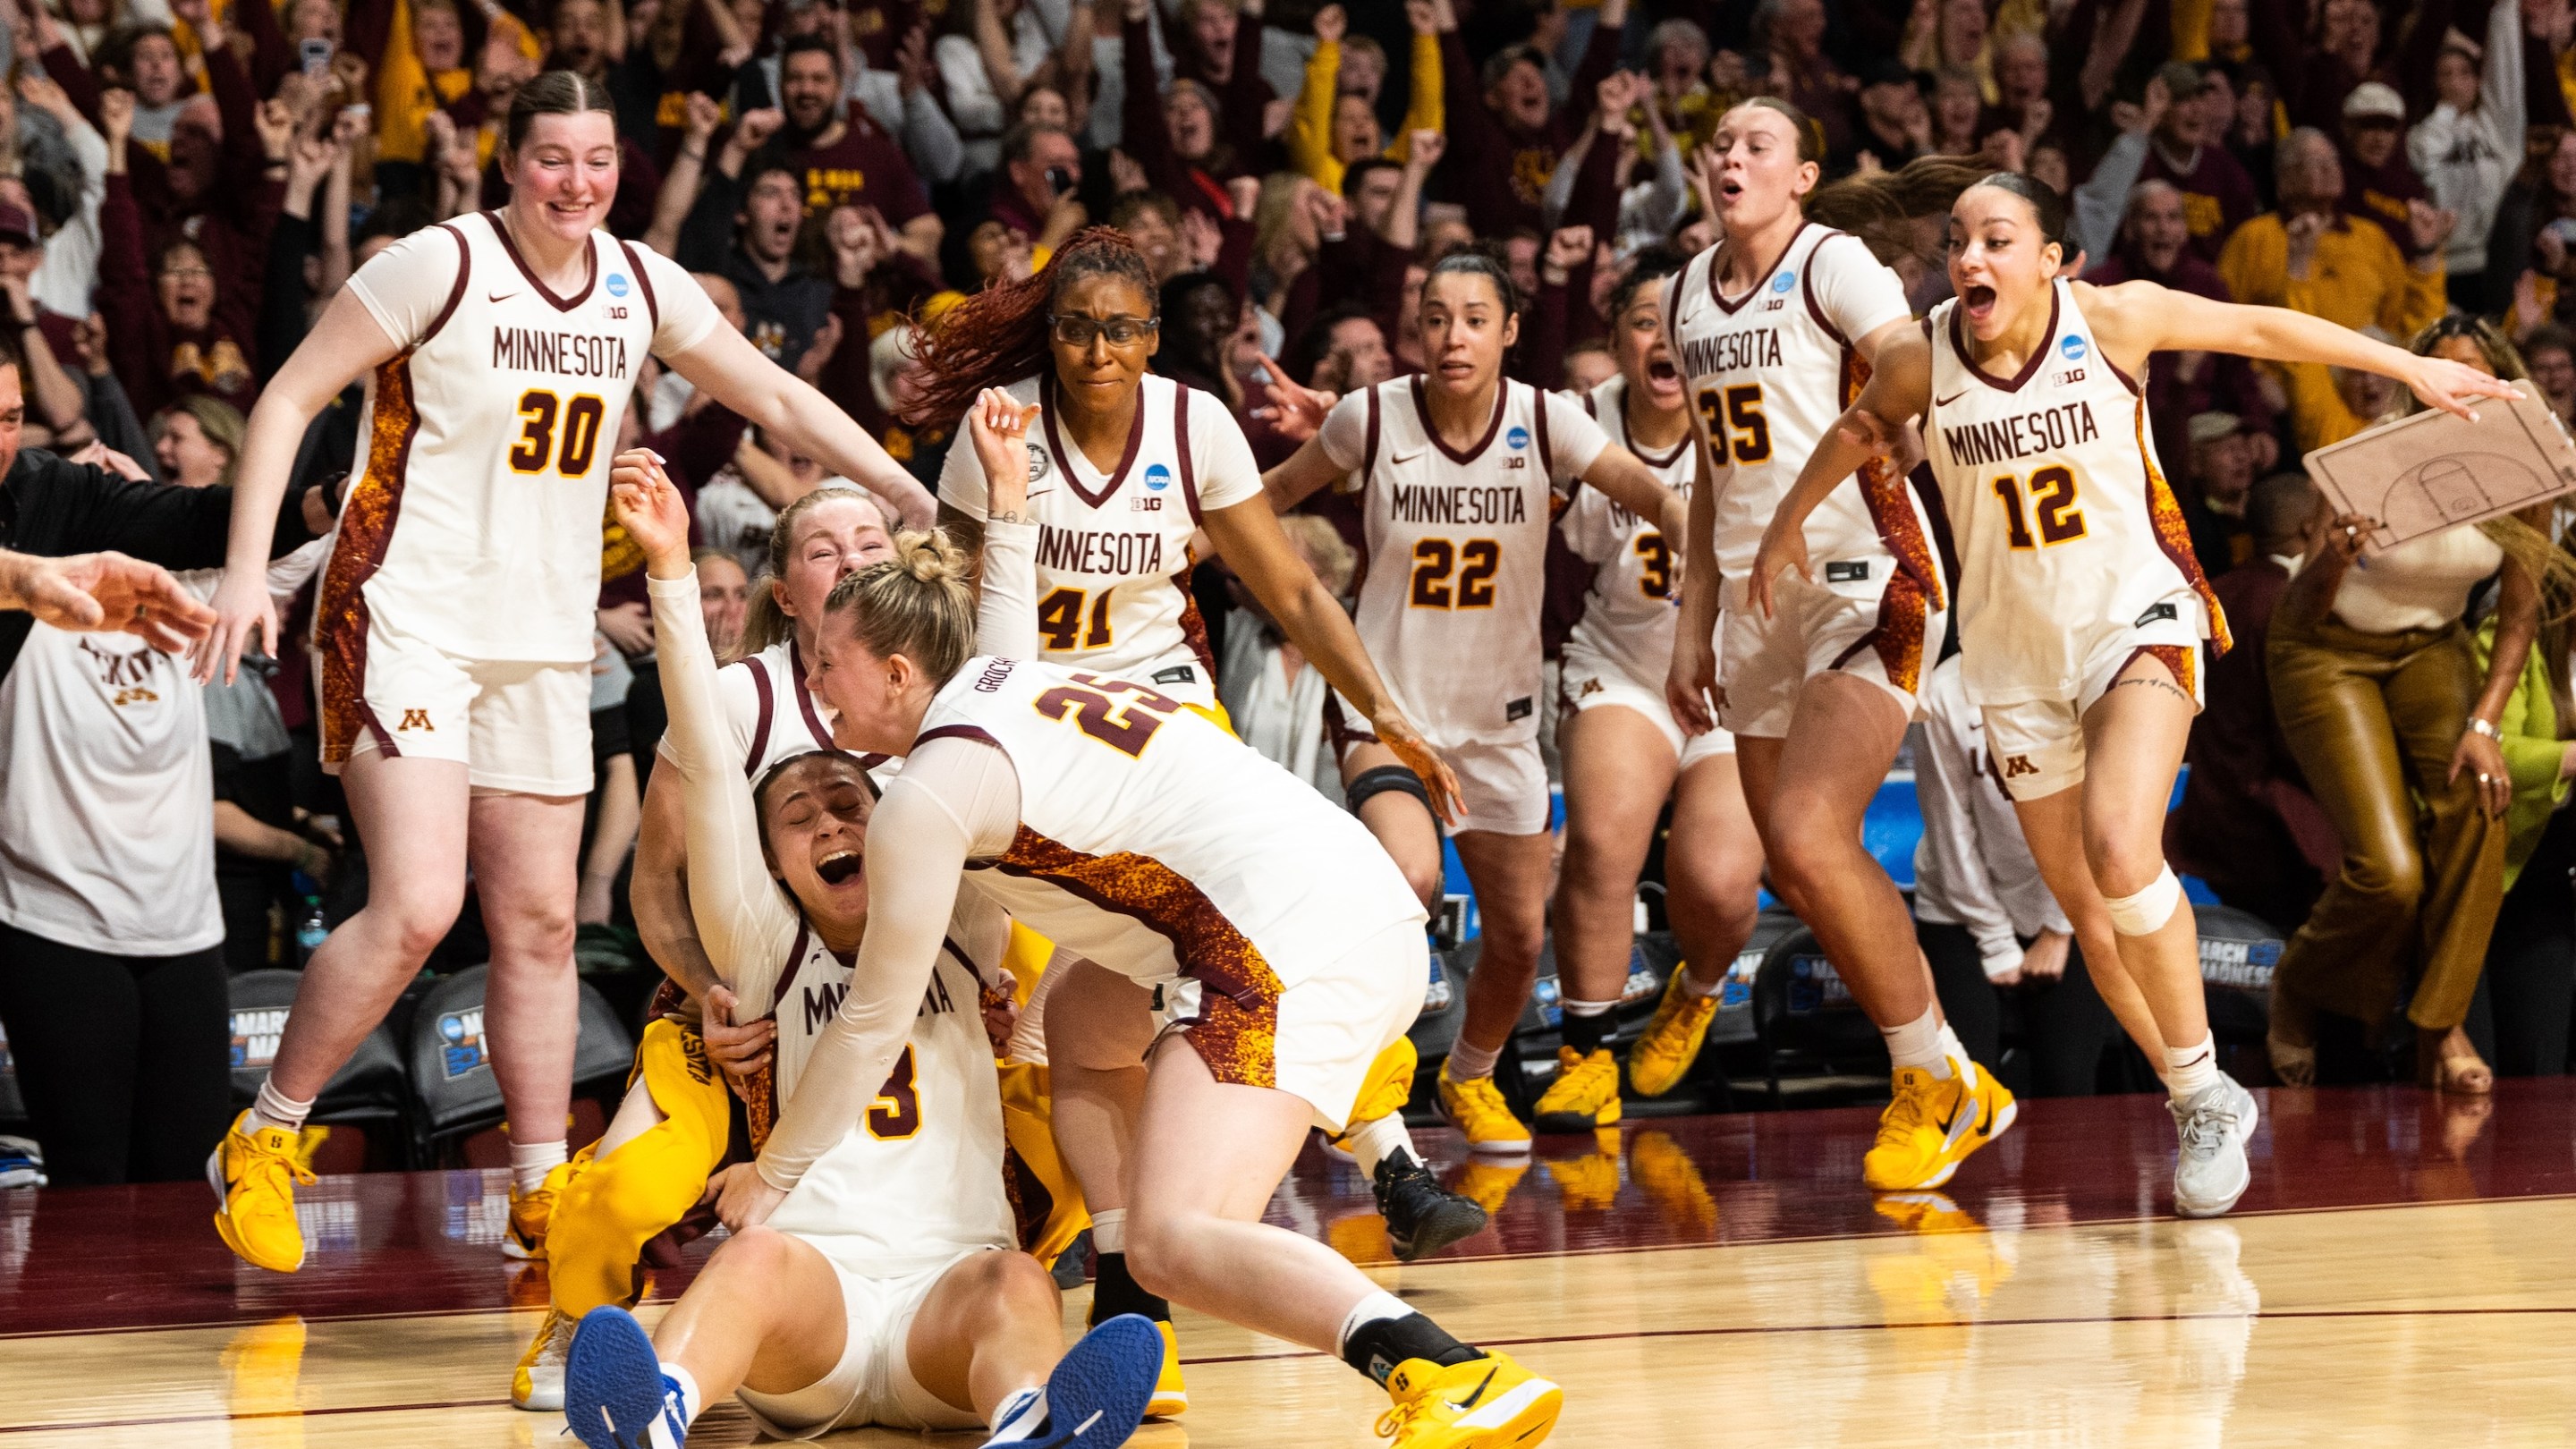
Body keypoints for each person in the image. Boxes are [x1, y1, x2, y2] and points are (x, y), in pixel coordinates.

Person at [196, 72, 937, 1278]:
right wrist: (244, 571)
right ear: (511, 162)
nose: (577, 181)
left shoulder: (641, 283)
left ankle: (541, 1194)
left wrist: (902, 487)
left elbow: (779, 392)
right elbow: (284, 399)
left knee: (541, 924)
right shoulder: (437, 266)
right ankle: (266, 1138)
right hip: (405, 609)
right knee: (422, 902)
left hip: (541, 633)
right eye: (552, 158)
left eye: (596, 159)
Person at [731, 402, 1564, 1447]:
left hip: (1288, 943)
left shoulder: (925, 797)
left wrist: (772, 1177)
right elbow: (1002, 598)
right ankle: (1133, 1314)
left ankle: (1446, 1373)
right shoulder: (995, 677)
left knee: (1184, 1232)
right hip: (1331, 892)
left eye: (827, 667)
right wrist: (1004, 497)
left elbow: (870, 1023)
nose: (815, 684)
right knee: (1084, 1018)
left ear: (899, 676)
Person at [1750, 170, 2513, 1216]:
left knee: (2122, 844)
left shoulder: (2112, 318)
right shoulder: (1922, 354)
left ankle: (2202, 1099)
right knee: (2091, 919)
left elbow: (2260, 326)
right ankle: (2199, 1088)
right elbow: (1860, 431)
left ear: (2053, 258)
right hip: (2016, 665)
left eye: (1999, 239)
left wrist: (2404, 368)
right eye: (1961, 241)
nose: (1972, 258)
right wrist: (1787, 521)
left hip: (2137, 619)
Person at [908, 225, 1487, 1271]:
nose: (1097, 353)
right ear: (1051, 332)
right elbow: (952, 604)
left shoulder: (1194, 424)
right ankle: (1095, 1247)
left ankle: (1383, 1159)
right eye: (1077, 330)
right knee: (1055, 1023)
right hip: (1037, 735)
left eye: (1121, 331)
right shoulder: (998, 432)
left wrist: (1386, 711)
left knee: (1254, 946)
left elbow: (1295, 587)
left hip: (1164, 720)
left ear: (1154, 337)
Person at [556, 449, 1161, 1449]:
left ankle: (1029, 1421)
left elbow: (1002, 704)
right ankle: (654, 1415)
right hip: (814, 1308)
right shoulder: (762, 946)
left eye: (853, 806)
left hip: (946, 1310)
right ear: (771, 865)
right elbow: (708, 767)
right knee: (744, 1261)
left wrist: (1010, 525)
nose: (835, 825)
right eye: (801, 816)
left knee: (1017, 1277)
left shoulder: (959, 921)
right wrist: (667, 567)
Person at [1259, 247, 1686, 1156]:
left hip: (1500, 725)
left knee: (1519, 939)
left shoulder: (1548, 421)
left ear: (1510, 331)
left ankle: (1471, 1076)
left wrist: (1716, 546)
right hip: (1389, 710)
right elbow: (1262, 502)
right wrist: (1180, 553)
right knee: (1409, 879)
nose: (1455, 336)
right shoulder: (1367, 417)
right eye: (1438, 318)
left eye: (1475, 318)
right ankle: (1359, 1081)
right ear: (1418, 330)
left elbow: (1649, 491)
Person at [1662, 102, 2008, 1195]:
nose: (1731, 157)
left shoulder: (1833, 264)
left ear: (1803, 175)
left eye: (1757, 144)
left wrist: (1898, 425)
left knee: (1811, 835)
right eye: (1720, 143)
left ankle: (1931, 1079)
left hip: (1871, 570)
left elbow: (1912, 365)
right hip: (1752, 596)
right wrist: (1696, 616)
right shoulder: (1685, 291)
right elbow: (1717, 463)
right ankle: (1957, 1070)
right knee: (1796, 866)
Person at [2264, 317, 2551, 1098]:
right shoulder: (2366, 453)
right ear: (2413, 381)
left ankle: (2438, 1022)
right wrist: (2335, 557)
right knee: (2389, 873)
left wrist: (2487, 725)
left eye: (2475, 372)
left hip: (2433, 648)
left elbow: (2518, 615)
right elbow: (2303, 611)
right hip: (2327, 649)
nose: (2458, 386)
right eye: (2443, 371)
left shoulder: (2521, 461)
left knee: (2481, 803)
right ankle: (2299, 984)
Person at [1535, 245, 1763, 1134]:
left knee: (1715, 877)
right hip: (1623, 661)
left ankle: (1698, 991)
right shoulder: (1574, 420)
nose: (1663, 341)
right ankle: (1586, 1056)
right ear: (1619, 342)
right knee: (1599, 842)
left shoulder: (1752, 413)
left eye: (1680, 325)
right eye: (1643, 324)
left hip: (1736, 672)